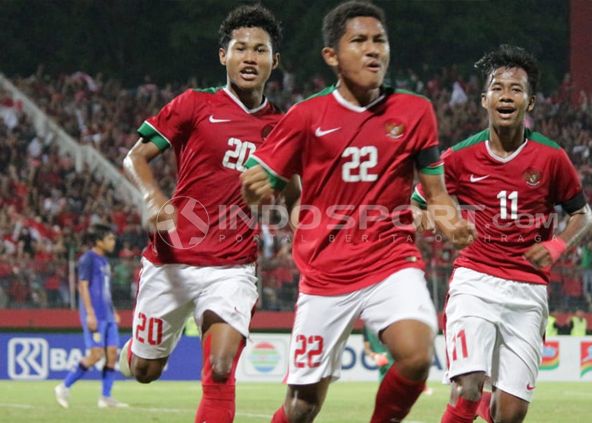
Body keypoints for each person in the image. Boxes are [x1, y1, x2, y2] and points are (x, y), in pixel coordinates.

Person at [240, 2, 475, 421]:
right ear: (332, 55)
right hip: (325, 270)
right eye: (360, 41)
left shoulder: (415, 111)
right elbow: (260, 176)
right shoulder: (306, 116)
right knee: (302, 405)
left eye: (380, 41)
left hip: (391, 259)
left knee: (417, 355)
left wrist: (449, 217)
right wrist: (257, 185)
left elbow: (436, 193)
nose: (373, 51)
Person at [412, 44, 592, 423]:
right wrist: (438, 219)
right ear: (484, 100)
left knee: (509, 415)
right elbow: (419, 201)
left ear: (530, 102)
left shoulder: (551, 157)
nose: (506, 95)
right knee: (468, 387)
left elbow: (583, 215)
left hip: (528, 291)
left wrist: (558, 244)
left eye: (516, 89)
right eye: (498, 88)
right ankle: (471, 397)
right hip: (475, 281)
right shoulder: (460, 155)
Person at [119, 5, 284, 422]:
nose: (250, 57)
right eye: (241, 48)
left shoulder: (283, 127)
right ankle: (135, 350)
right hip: (171, 260)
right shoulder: (194, 105)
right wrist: (155, 199)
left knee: (222, 369)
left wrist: (299, 219)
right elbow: (134, 158)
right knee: (144, 371)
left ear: (274, 61)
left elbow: (296, 188)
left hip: (232, 267)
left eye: (260, 50)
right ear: (222, 56)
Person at [55, 224, 127, 409]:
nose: (113, 242)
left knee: (112, 355)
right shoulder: (88, 259)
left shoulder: (104, 261)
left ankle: (106, 397)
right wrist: (90, 314)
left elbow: (105, 290)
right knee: (96, 355)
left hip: (108, 314)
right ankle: (64, 386)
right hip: (95, 314)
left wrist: (114, 310)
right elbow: (83, 286)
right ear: (99, 241)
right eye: (110, 238)